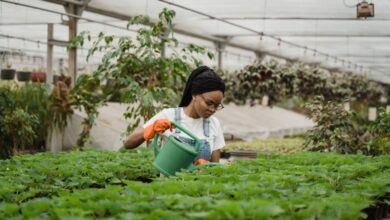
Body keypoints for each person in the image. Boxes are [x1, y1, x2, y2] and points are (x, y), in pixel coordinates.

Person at [123, 66, 226, 162]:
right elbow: (128, 143)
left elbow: (214, 167)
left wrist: (205, 167)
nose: (213, 109)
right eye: (209, 103)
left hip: (199, 181)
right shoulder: (169, 116)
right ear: (194, 95)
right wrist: (152, 128)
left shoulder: (214, 124)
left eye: (217, 106)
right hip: (171, 181)